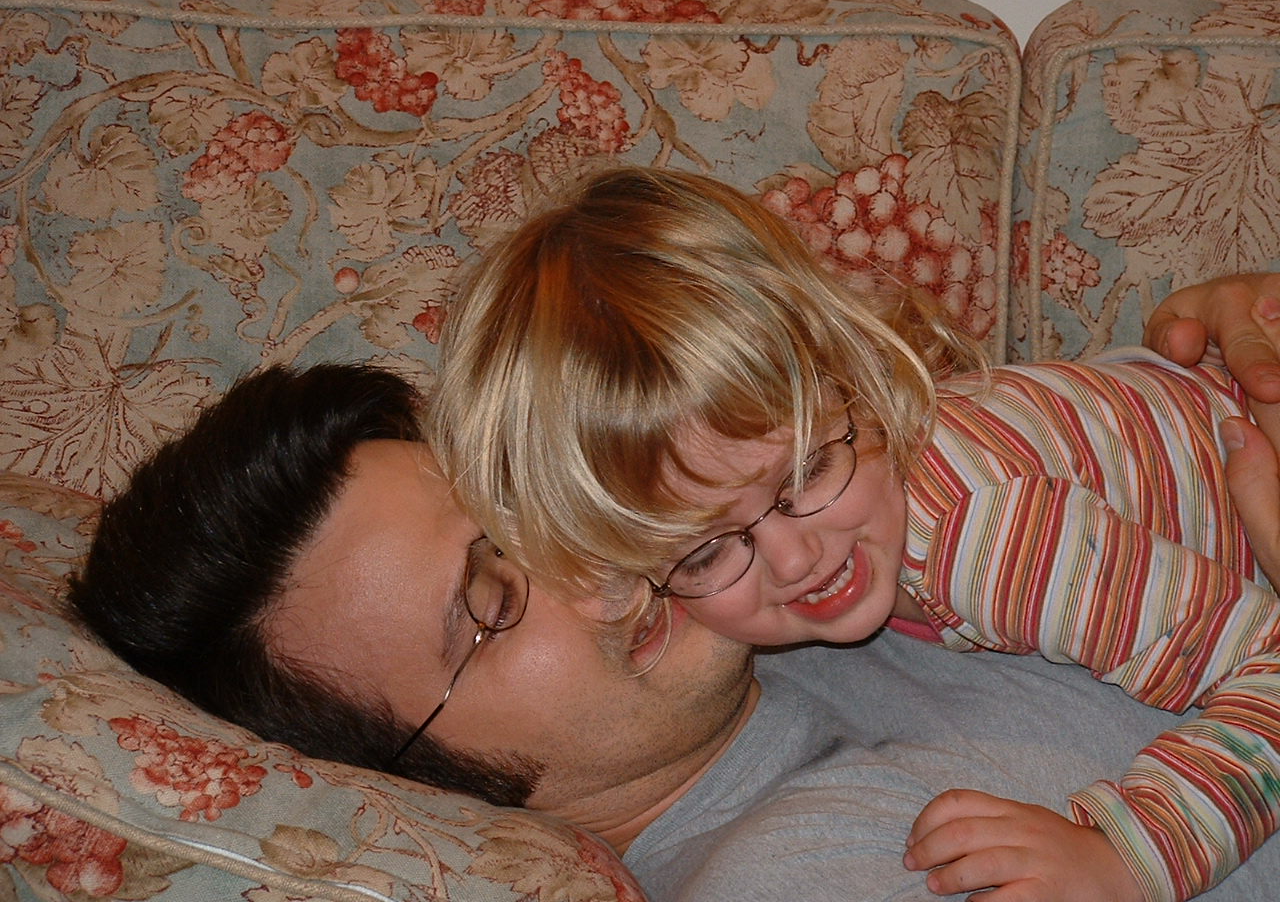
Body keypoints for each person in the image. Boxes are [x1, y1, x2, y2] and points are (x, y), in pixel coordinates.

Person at [68, 290, 1280, 898]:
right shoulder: (806, 872)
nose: (591, 564)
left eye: (526, 504)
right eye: (489, 604)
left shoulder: (794, 562)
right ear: (421, 779)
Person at [427, 167, 1280, 902]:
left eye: (803, 474)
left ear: (860, 376)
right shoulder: (847, 491)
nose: (796, 559)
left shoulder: (987, 538)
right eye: (705, 550)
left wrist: (1126, 857)